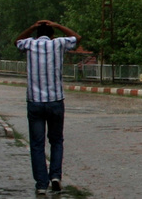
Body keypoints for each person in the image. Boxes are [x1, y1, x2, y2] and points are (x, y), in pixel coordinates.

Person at [15, 20, 82, 195]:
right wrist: (58, 25)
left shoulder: (29, 44)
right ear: (52, 34)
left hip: (35, 102)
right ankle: (55, 176)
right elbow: (77, 37)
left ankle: (41, 184)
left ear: (37, 34)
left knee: (37, 144)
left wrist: (31, 27)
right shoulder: (58, 43)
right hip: (55, 101)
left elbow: (17, 41)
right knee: (56, 140)